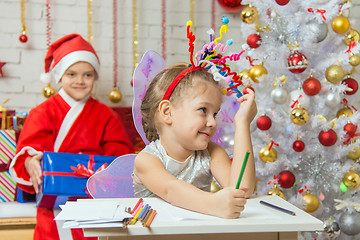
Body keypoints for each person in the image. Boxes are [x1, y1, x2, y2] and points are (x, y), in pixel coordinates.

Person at [9, 33, 134, 240]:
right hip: (53, 205)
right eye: (71, 74)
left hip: (95, 203)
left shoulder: (107, 116)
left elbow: (120, 157)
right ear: (59, 76)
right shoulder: (42, 113)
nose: (80, 81)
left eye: (88, 75)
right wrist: (31, 161)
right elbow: (29, 153)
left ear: (95, 77)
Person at [132, 62, 257, 219]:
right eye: (203, 110)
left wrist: (243, 123)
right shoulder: (146, 160)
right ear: (167, 112)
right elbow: (171, 190)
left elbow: (242, 189)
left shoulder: (212, 153)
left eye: (215, 113)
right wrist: (214, 204)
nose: (212, 122)